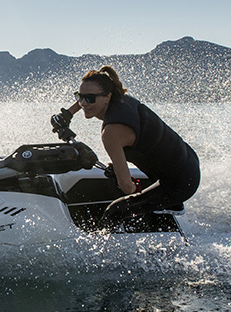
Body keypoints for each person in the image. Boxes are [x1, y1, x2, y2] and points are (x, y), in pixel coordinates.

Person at [51, 65, 200, 227]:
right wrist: (68, 114)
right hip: (189, 160)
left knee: (114, 211)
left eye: (90, 98)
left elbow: (128, 188)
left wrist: (120, 177)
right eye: (79, 97)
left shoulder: (111, 133)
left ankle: (105, 250)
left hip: (180, 184)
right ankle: (167, 204)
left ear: (107, 97)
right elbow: (87, 99)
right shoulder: (120, 97)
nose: (83, 103)